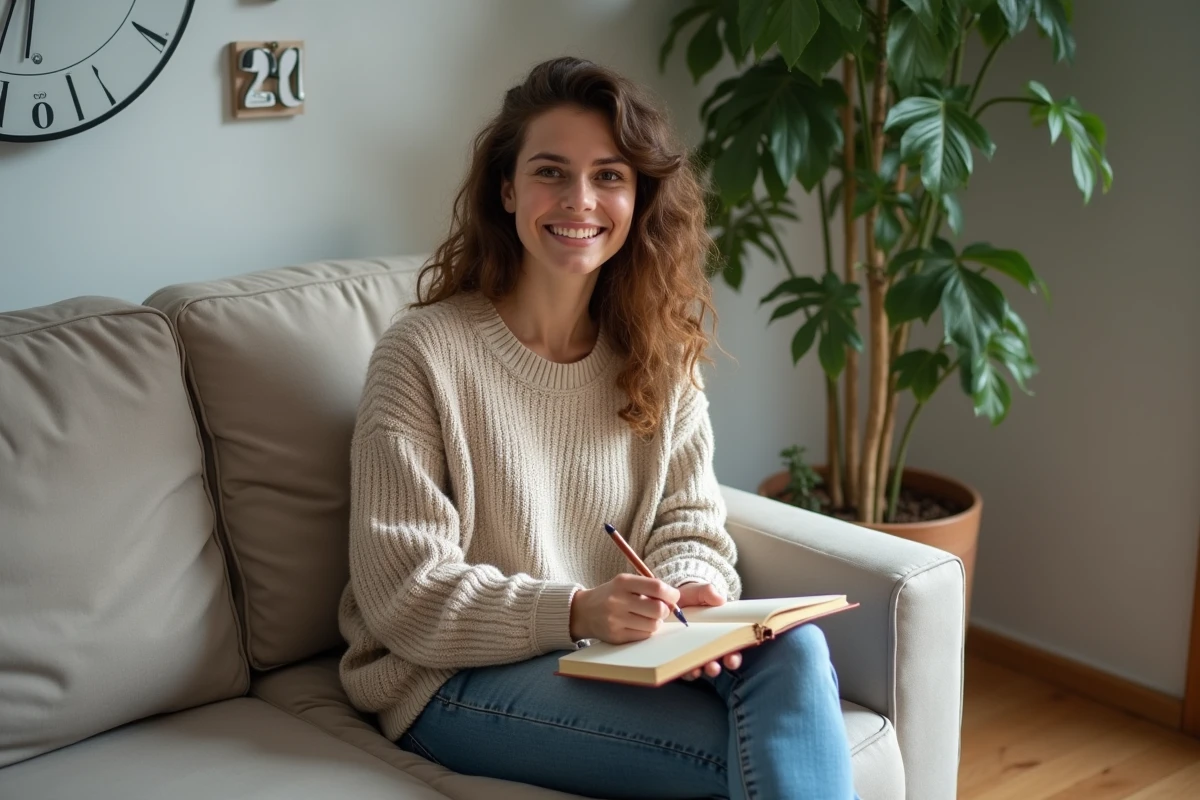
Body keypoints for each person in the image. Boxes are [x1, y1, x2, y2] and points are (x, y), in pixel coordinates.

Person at [337, 56, 858, 800]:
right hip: (451, 679)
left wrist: (691, 589)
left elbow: (691, 519)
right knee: (767, 755)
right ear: (508, 189)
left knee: (795, 649)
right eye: (551, 171)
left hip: (619, 653)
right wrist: (577, 609)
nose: (580, 199)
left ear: (639, 195)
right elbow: (404, 592)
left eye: (609, 175)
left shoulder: (657, 350)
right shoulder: (422, 355)